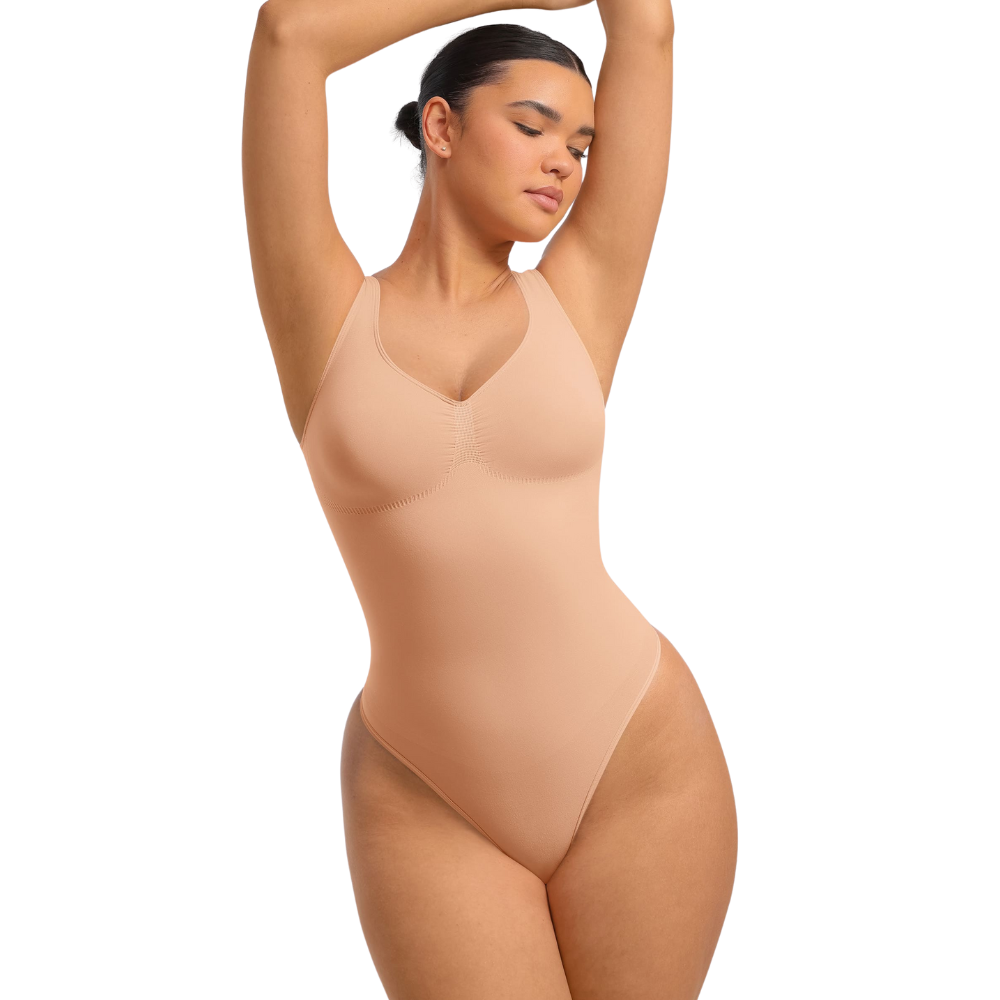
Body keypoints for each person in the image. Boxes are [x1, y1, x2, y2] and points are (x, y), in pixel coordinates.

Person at [242, 0, 737, 995]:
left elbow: (646, 29)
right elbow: (289, 34)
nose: (564, 162)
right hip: (427, 793)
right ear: (441, 124)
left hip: (636, 762)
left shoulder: (582, 293)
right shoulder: (323, 316)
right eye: (532, 125)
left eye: (581, 145)